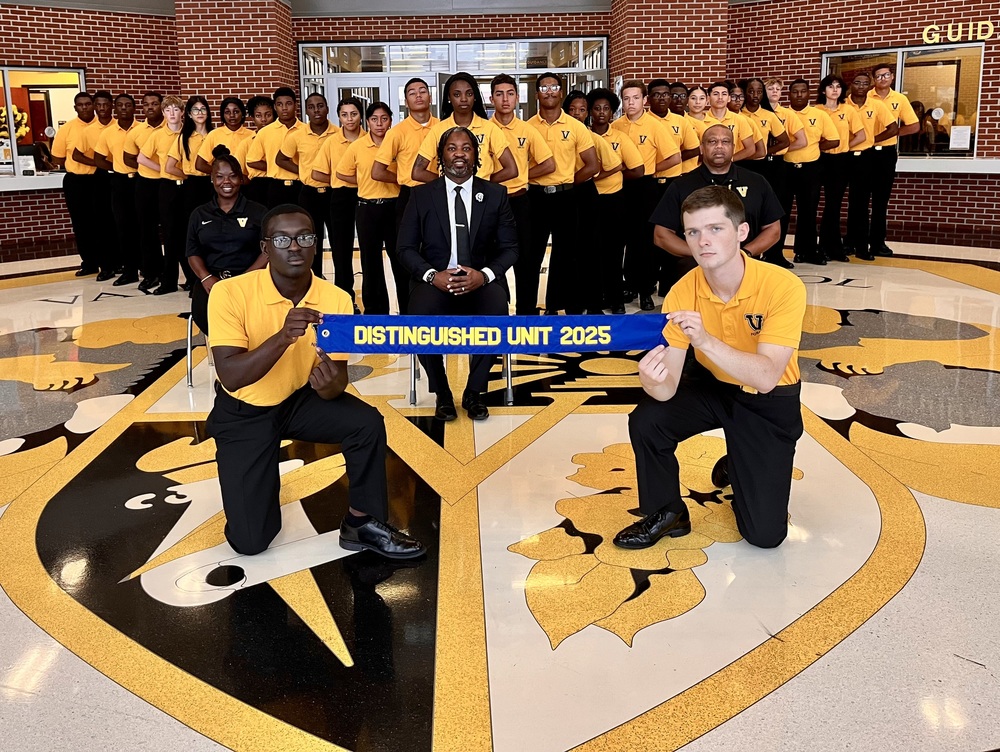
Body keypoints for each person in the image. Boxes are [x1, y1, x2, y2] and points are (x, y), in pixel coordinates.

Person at [206, 203, 425, 560]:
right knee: (251, 542)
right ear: (265, 248)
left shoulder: (336, 298)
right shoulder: (229, 293)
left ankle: (362, 522)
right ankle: (251, 489)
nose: (294, 247)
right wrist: (282, 337)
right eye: (282, 239)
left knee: (366, 423)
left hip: (298, 399)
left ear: (316, 243)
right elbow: (230, 376)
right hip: (244, 409)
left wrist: (331, 386)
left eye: (304, 237)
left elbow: (336, 377)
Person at [614, 185, 806, 551]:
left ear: (742, 232)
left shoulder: (783, 286)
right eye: (693, 232)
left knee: (765, 537)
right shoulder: (684, 289)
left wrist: (704, 341)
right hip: (711, 384)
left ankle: (739, 462)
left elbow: (766, 377)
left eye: (715, 228)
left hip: (767, 401)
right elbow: (667, 388)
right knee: (647, 419)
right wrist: (650, 381)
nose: (703, 241)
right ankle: (666, 513)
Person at [397, 127, 519, 421]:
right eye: (452, 148)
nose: (459, 154)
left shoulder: (495, 194)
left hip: (480, 279)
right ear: (441, 156)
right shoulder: (421, 195)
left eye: (466, 148)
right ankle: (442, 394)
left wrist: (484, 275)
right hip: (436, 279)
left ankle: (474, 392)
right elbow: (405, 248)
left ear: (476, 155)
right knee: (420, 315)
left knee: (496, 311)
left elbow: (510, 248)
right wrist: (431, 276)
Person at [651, 124, 782, 262]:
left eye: (725, 141)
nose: (719, 146)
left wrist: (744, 254)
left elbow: (773, 229)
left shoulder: (757, 182)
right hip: (692, 268)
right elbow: (661, 235)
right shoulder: (681, 185)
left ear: (733, 147)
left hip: (744, 268)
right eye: (712, 141)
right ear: (702, 148)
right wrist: (701, 254)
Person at [528, 71, 600, 315]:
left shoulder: (575, 126)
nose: (549, 92)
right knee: (531, 255)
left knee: (566, 256)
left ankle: (559, 306)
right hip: (535, 197)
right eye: (544, 88)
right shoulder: (528, 127)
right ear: (537, 94)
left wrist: (568, 180)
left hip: (566, 197)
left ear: (561, 92)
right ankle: (527, 312)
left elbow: (592, 165)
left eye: (554, 87)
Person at [488, 73, 554, 316]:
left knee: (526, 259)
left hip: (520, 202)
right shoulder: (483, 129)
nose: (505, 99)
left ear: (517, 97)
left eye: (510, 93)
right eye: (499, 94)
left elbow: (548, 164)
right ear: (491, 98)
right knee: (492, 260)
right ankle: (497, 312)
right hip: (490, 203)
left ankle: (526, 312)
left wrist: (522, 174)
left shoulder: (527, 130)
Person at [612, 80, 679, 311]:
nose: (631, 103)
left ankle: (645, 289)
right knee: (623, 238)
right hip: (621, 187)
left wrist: (649, 168)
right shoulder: (616, 125)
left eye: (635, 98)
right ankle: (627, 284)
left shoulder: (655, 125)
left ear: (644, 100)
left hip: (645, 187)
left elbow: (673, 157)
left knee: (644, 241)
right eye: (627, 98)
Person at [186, 146, 267, 334]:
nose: (226, 181)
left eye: (232, 176)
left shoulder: (258, 211)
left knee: (257, 322)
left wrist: (246, 278)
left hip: (251, 279)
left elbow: (268, 250)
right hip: (211, 281)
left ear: (240, 179)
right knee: (207, 317)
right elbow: (192, 252)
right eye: (220, 176)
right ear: (212, 179)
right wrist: (206, 278)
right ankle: (225, 354)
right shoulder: (199, 214)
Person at [336, 101, 404, 314]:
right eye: (374, 119)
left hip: (394, 208)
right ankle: (376, 310)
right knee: (370, 261)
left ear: (391, 121)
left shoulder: (397, 143)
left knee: (400, 258)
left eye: (384, 119)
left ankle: (408, 308)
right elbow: (340, 173)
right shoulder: (358, 146)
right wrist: (363, 180)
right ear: (368, 122)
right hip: (367, 209)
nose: (379, 124)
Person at [588, 87, 644, 314]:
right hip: (588, 201)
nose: (601, 112)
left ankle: (615, 298)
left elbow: (638, 170)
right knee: (591, 252)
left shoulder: (620, 138)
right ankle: (594, 297)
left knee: (613, 252)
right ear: (590, 111)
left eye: (606, 109)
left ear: (612, 112)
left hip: (613, 202)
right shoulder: (582, 134)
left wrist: (616, 173)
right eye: (597, 108)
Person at [411, 72, 516, 186]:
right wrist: (446, 184)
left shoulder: (490, 129)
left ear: (475, 96)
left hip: (480, 197)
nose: (464, 99)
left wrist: (482, 185)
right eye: (457, 95)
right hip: (449, 197)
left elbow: (511, 170)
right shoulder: (438, 130)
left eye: (469, 94)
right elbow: (417, 172)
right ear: (449, 97)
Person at [277, 92, 339, 277]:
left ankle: (343, 289)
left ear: (327, 109)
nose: (316, 110)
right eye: (311, 107)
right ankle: (315, 280)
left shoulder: (338, 133)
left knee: (338, 241)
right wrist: (303, 171)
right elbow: (281, 159)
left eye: (320, 106)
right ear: (306, 111)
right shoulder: (297, 135)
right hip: (309, 194)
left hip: (334, 193)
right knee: (311, 240)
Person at [312, 96, 365, 306]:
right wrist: (336, 179)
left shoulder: (369, 139)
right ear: (339, 117)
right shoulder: (331, 142)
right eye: (344, 115)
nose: (349, 119)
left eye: (354, 114)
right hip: (340, 196)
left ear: (361, 116)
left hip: (366, 196)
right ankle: (345, 299)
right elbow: (316, 173)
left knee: (369, 250)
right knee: (341, 250)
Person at [782, 79, 840, 266]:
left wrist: (815, 146)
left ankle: (805, 251)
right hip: (785, 169)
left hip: (810, 170)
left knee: (808, 212)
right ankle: (775, 253)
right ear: (789, 94)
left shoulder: (819, 115)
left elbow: (834, 140)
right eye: (795, 92)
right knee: (782, 213)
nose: (799, 95)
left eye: (803, 91)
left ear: (809, 93)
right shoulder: (780, 114)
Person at [139, 95, 192, 294]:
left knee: (188, 234)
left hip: (187, 187)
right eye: (167, 110)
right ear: (163, 113)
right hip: (168, 187)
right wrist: (163, 169)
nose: (172, 114)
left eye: (175, 110)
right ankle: (169, 281)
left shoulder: (189, 133)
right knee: (170, 235)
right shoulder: (157, 135)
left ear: (182, 113)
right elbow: (141, 158)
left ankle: (192, 279)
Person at [866, 64, 920, 257]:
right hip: (863, 153)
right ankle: (857, 242)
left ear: (892, 77)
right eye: (878, 76)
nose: (882, 79)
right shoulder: (865, 96)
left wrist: (894, 135)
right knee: (860, 199)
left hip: (886, 153)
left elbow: (913, 126)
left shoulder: (900, 99)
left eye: (886, 75)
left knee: (881, 200)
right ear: (873, 79)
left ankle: (878, 243)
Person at [844, 72, 897, 261]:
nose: (860, 86)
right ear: (851, 84)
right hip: (843, 156)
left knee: (862, 202)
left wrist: (872, 140)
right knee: (849, 203)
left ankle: (863, 245)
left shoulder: (877, 105)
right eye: (857, 82)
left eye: (865, 83)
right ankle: (847, 242)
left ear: (870, 86)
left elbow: (893, 128)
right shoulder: (843, 104)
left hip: (866, 158)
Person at [50, 92, 100, 277]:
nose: (85, 107)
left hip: (99, 179)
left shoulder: (103, 125)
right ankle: (89, 262)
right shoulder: (67, 129)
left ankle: (111, 262)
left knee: (104, 222)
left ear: (93, 105)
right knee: (81, 223)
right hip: (76, 181)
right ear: (75, 108)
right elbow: (57, 157)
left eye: (88, 104)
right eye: (81, 105)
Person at [816, 75, 865, 262]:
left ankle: (834, 247)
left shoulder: (848, 110)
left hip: (840, 161)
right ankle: (817, 248)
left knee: (834, 205)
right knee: (813, 204)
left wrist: (844, 146)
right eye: (830, 86)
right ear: (823, 90)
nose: (835, 90)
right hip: (819, 159)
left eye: (838, 87)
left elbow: (861, 135)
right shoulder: (816, 110)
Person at [94, 93, 141, 287]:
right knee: (123, 227)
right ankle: (129, 271)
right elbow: (98, 158)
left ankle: (149, 268)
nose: (123, 108)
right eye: (120, 105)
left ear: (134, 108)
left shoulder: (143, 129)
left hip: (142, 181)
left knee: (145, 227)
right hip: (120, 182)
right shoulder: (108, 133)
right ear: (115, 108)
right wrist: (115, 166)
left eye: (128, 105)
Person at [124, 92, 166, 293]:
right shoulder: (136, 132)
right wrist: (146, 169)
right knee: (146, 231)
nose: (150, 107)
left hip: (169, 184)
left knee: (171, 230)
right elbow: (128, 158)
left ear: (162, 106)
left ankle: (171, 274)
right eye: (146, 104)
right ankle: (151, 273)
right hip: (145, 184)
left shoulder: (173, 128)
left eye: (155, 104)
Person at [246, 87, 305, 208]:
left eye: (288, 103)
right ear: (274, 107)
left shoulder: (306, 130)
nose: (284, 108)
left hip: (302, 184)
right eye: (279, 104)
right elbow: (252, 161)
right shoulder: (265, 132)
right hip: (276, 186)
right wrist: (273, 165)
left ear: (296, 105)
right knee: (276, 223)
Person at [167, 96, 214, 234]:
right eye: (195, 110)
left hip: (212, 183)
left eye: (203, 109)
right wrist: (188, 176)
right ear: (189, 114)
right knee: (193, 224)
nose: (200, 113)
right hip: (191, 186)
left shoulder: (215, 134)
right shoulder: (184, 138)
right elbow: (169, 167)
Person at [196, 97, 253, 175]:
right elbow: (200, 165)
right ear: (222, 115)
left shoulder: (252, 135)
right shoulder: (214, 134)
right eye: (227, 112)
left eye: (236, 111)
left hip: (247, 182)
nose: (232, 115)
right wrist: (222, 173)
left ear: (243, 114)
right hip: (223, 184)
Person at [234, 96, 274, 205]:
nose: (264, 120)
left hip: (277, 184)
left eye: (268, 115)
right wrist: (251, 184)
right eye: (258, 116)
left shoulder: (282, 139)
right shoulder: (246, 143)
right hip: (256, 187)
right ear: (253, 118)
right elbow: (238, 171)